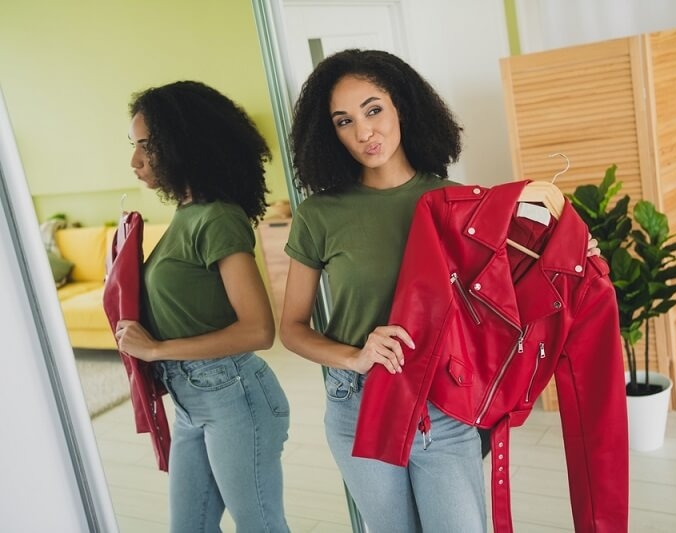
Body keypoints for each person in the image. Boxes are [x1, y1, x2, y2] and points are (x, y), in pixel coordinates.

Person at [280, 49, 599, 532]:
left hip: (443, 405)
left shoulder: (457, 204)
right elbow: (291, 328)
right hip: (358, 402)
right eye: (344, 121)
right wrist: (354, 357)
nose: (363, 132)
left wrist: (573, 253)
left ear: (402, 107)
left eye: (373, 110)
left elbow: (506, 297)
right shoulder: (318, 216)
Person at [115, 80, 291, 533]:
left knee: (261, 527)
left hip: (234, 396)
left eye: (146, 146)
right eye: (134, 146)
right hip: (192, 400)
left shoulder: (217, 218)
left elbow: (258, 331)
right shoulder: (187, 212)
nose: (135, 161)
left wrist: (156, 349)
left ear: (184, 143)